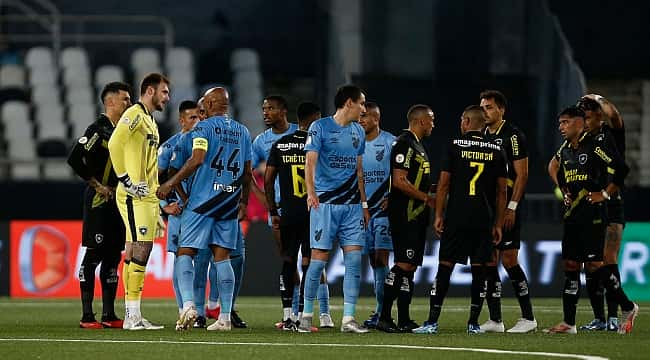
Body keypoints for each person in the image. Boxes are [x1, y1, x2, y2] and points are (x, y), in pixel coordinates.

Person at [157, 87, 252, 332]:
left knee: (185, 252)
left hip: (202, 202)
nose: (201, 110)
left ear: (210, 104)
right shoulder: (243, 131)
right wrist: (243, 202)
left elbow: (197, 159)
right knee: (222, 258)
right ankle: (225, 318)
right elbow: (248, 173)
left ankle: (188, 305)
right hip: (228, 202)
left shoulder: (203, 128)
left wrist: (170, 183)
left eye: (203, 106)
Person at [413, 105, 507, 335]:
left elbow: (444, 184)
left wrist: (438, 215)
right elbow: (502, 191)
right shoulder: (496, 150)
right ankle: (473, 323)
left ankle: (432, 322)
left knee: (444, 268)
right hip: (483, 220)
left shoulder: (454, 146)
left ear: (466, 121)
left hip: (456, 217)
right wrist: (498, 223)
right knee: (479, 271)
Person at [545, 106, 638, 334]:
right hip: (573, 214)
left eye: (565, 122)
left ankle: (627, 307)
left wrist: (604, 194)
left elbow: (622, 169)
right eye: (560, 123)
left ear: (579, 123)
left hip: (594, 214)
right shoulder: (566, 148)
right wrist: (563, 187)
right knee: (570, 264)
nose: (561, 127)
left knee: (595, 265)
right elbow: (552, 166)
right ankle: (569, 322)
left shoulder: (596, 145)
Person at [253, 96, 332, 325]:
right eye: (263, 108)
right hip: (289, 208)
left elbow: (267, 178)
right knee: (307, 260)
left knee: (300, 260)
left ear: (284, 111)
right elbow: (249, 176)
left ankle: (318, 312)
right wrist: (269, 206)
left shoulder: (293, 138)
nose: (266, 112)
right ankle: (298, 312)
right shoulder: (261, 141)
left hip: (287, 210)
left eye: (271, 108)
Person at [298, 84, 370, 333]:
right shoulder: (320, 127)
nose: (364, 108)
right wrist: (311, 193)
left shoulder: (359, 132)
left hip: (351, 206)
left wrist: (363, 203)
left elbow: (359, 170)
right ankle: (306, 315)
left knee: (353, 261)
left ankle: (348, 319)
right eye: (361, 103)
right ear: (348, 102)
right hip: (325, 204)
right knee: (318, 261)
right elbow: (310, 162)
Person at [108, 73, 170, 330]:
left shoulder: (149, 120)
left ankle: (133, 313)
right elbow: (115, 143)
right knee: (141, 250)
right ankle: (132, 315)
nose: (167, 97)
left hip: (147, 197)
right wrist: (126, 179)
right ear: (150, 91)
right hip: (135, 195)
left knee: (136, 250)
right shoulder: (134, 114)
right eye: (164, 92)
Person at [68, 81, 132, 329]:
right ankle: (86, 316)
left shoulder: (122, 130)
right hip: (98, 199)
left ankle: (108, 315)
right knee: (93, 256)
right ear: (111, 102)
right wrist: (96, 185)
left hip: (117, 200)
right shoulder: (97, 129)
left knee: (113, 256)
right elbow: (74, 158)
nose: (129, 103)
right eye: (125, 99)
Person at [479, 90, 536, 333]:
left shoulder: (512, 136)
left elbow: (522, 174)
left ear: (501, 109)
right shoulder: (481, 135)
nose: (485, 112)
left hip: (507, 206)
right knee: (489, 260)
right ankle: (495, 319)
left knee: (509, 259)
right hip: (488, 207)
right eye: (482, 108)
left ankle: (528, 318)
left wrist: (512, 206)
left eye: (489, 107)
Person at [375, 104, 434, 333]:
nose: (433, 124)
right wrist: (428, 199)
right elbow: (399, 180)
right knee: (403, 264)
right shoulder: (404, 143)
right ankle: (384, 316)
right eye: (431, 119)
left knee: (410, 269)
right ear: (420, 121)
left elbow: (414, 179)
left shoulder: (417, 146)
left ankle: (404, 318)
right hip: (406, 214)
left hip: (417, 215)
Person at [577, 95, 627, 332]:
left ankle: (614, 317)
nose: (584, 122)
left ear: (598, 115)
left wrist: (597, 97)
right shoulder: (584, 140)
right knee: (591, 263)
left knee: (608, 259)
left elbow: (615, 115)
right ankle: (599, 318)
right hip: (590, 205)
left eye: (587, 117)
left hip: (612, 202)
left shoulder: (612, 134)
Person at [157, 100, 201, 325]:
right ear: (182, 120)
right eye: (192, 117)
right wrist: (162, 208)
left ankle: (204, 309)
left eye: (199, 116)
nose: (197, 121)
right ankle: (184, 308)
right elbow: (156, 180)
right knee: (180, 257)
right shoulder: (170, 146)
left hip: (204, 209)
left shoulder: (203, 143)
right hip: (180, 211)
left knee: (205, 260)